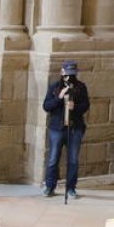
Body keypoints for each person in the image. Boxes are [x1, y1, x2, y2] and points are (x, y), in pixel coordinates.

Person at [42, 61, 90, 199]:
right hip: (57, 129)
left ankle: (71, 188)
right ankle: (50, 186)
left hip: (75, 129)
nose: (69, 77)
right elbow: (46, 106)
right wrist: (59, 98)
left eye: (72, 75)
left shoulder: (81, 87)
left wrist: (75, 107)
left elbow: (86, 105)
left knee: (73, 160)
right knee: (53, 159)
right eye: (67, 74)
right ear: (62, 72)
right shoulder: (55, 87)